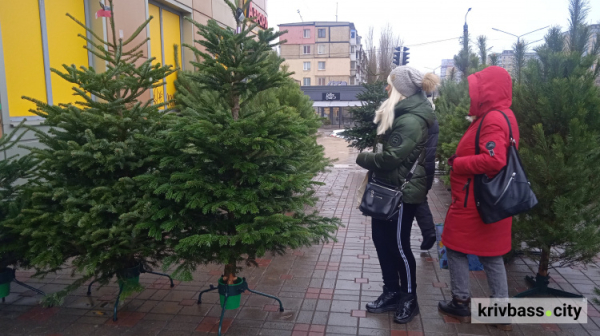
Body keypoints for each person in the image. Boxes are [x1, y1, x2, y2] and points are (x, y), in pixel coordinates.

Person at [356, 66, 439, 324]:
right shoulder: (401, 113)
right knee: (382, 241)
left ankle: (409, 298)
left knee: (400, 246)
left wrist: (363, 157)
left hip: (402, 193)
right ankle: (391, 291)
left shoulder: (411, 119)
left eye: (390, 84)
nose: (386, 88)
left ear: (401, 89)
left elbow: (391, 157)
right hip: (388, 189)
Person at [438, 66, 518, 331]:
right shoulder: (504, 115)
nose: (472, 93)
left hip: (474, 201)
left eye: (477, 89)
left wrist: (458, 164)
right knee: (491, 255)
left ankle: (461, 302)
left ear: (488, 91)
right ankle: (500, 312)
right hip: (489, 199)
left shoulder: (493, 118)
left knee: (456, 247)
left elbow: (494, 160)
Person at [415, 94, 439, 250]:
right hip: (428, 165)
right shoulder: (430, 115)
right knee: (419, 198)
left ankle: (429, 231)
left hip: (417, 165)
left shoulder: (415, 117)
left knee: (412, 199)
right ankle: (428, 231)